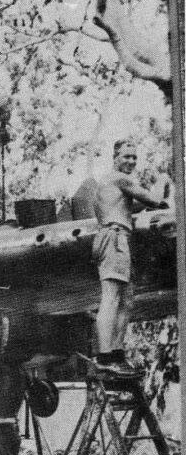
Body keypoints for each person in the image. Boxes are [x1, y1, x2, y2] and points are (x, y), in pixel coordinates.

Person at [91, 139, 169, 376]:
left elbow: (132, 207)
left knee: (126, 300)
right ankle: (105, 356)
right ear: (115, 157)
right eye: (127, 156)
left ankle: (116, 353)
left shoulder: (113, 185)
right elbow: (155, 200)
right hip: (114, 237)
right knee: (112, 298)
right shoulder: (118, 178)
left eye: (134, 157)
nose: (132, 161)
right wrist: (165, 180)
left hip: (118, 237)